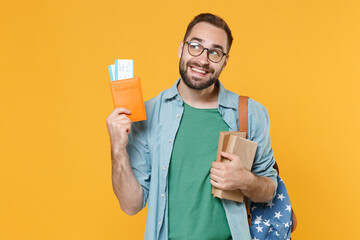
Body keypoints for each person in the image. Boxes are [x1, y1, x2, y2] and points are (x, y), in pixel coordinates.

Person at [106, 13, 277, 240]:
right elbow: (131, 205)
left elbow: (269, 190)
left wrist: (245, 180)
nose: (203, 60)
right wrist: (118, 147)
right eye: (195, 46)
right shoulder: (149, 114)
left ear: (225, 61)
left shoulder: (251, 113)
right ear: (181, 48)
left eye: (215, 52)